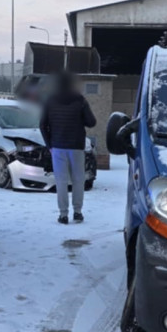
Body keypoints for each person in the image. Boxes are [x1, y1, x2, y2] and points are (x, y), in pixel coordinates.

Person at [41, 72, 96, 224]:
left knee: (61, 181)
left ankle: (63, 214)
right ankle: (77, 212)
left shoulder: (50, 100)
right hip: (76, 146)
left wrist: (49, 145)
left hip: (57, 147)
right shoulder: (80, 100)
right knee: (78, 180)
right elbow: (92, 122)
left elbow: (42, 125)